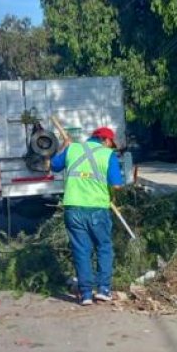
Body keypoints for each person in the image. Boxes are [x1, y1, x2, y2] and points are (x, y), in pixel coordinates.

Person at [51, 126, 124, 305]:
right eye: (111, 144)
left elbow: (53, 166)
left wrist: (63, 145)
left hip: (73, 208)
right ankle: (104, 290)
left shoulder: (72, 148)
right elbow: (117, 185)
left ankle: (85, 295)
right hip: (98, 209)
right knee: (104, 247)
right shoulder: (108, 155)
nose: (112, 147)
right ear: (106, 141)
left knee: (81, 250)